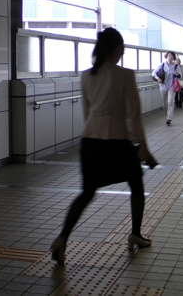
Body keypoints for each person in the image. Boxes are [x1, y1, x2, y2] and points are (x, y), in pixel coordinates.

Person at [50, 28, 158, 265]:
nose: (123, 53)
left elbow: (88, 113)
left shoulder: (87, 75)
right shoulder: (125, 75)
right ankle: (135, 234)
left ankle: (62, 238)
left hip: (90, 142)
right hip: (117, 141)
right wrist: (142, 146)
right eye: (122, 49)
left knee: (87, 192)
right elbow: (133, 115)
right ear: (117, 48)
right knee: (136, 183)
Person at [153, 51, 180, 126]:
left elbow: (180, 75)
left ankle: (169, 118)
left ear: (173, 58)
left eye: (172, 56)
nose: (170, 57)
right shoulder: (162, 65)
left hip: (172, 86)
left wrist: (176, 74)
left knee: (170, 102)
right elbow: (153, 73)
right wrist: (158, 78)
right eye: (169, 55)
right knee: (165, 104)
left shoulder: (176, 66)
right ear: (166, 56)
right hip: (163, 86)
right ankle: (166, 113)